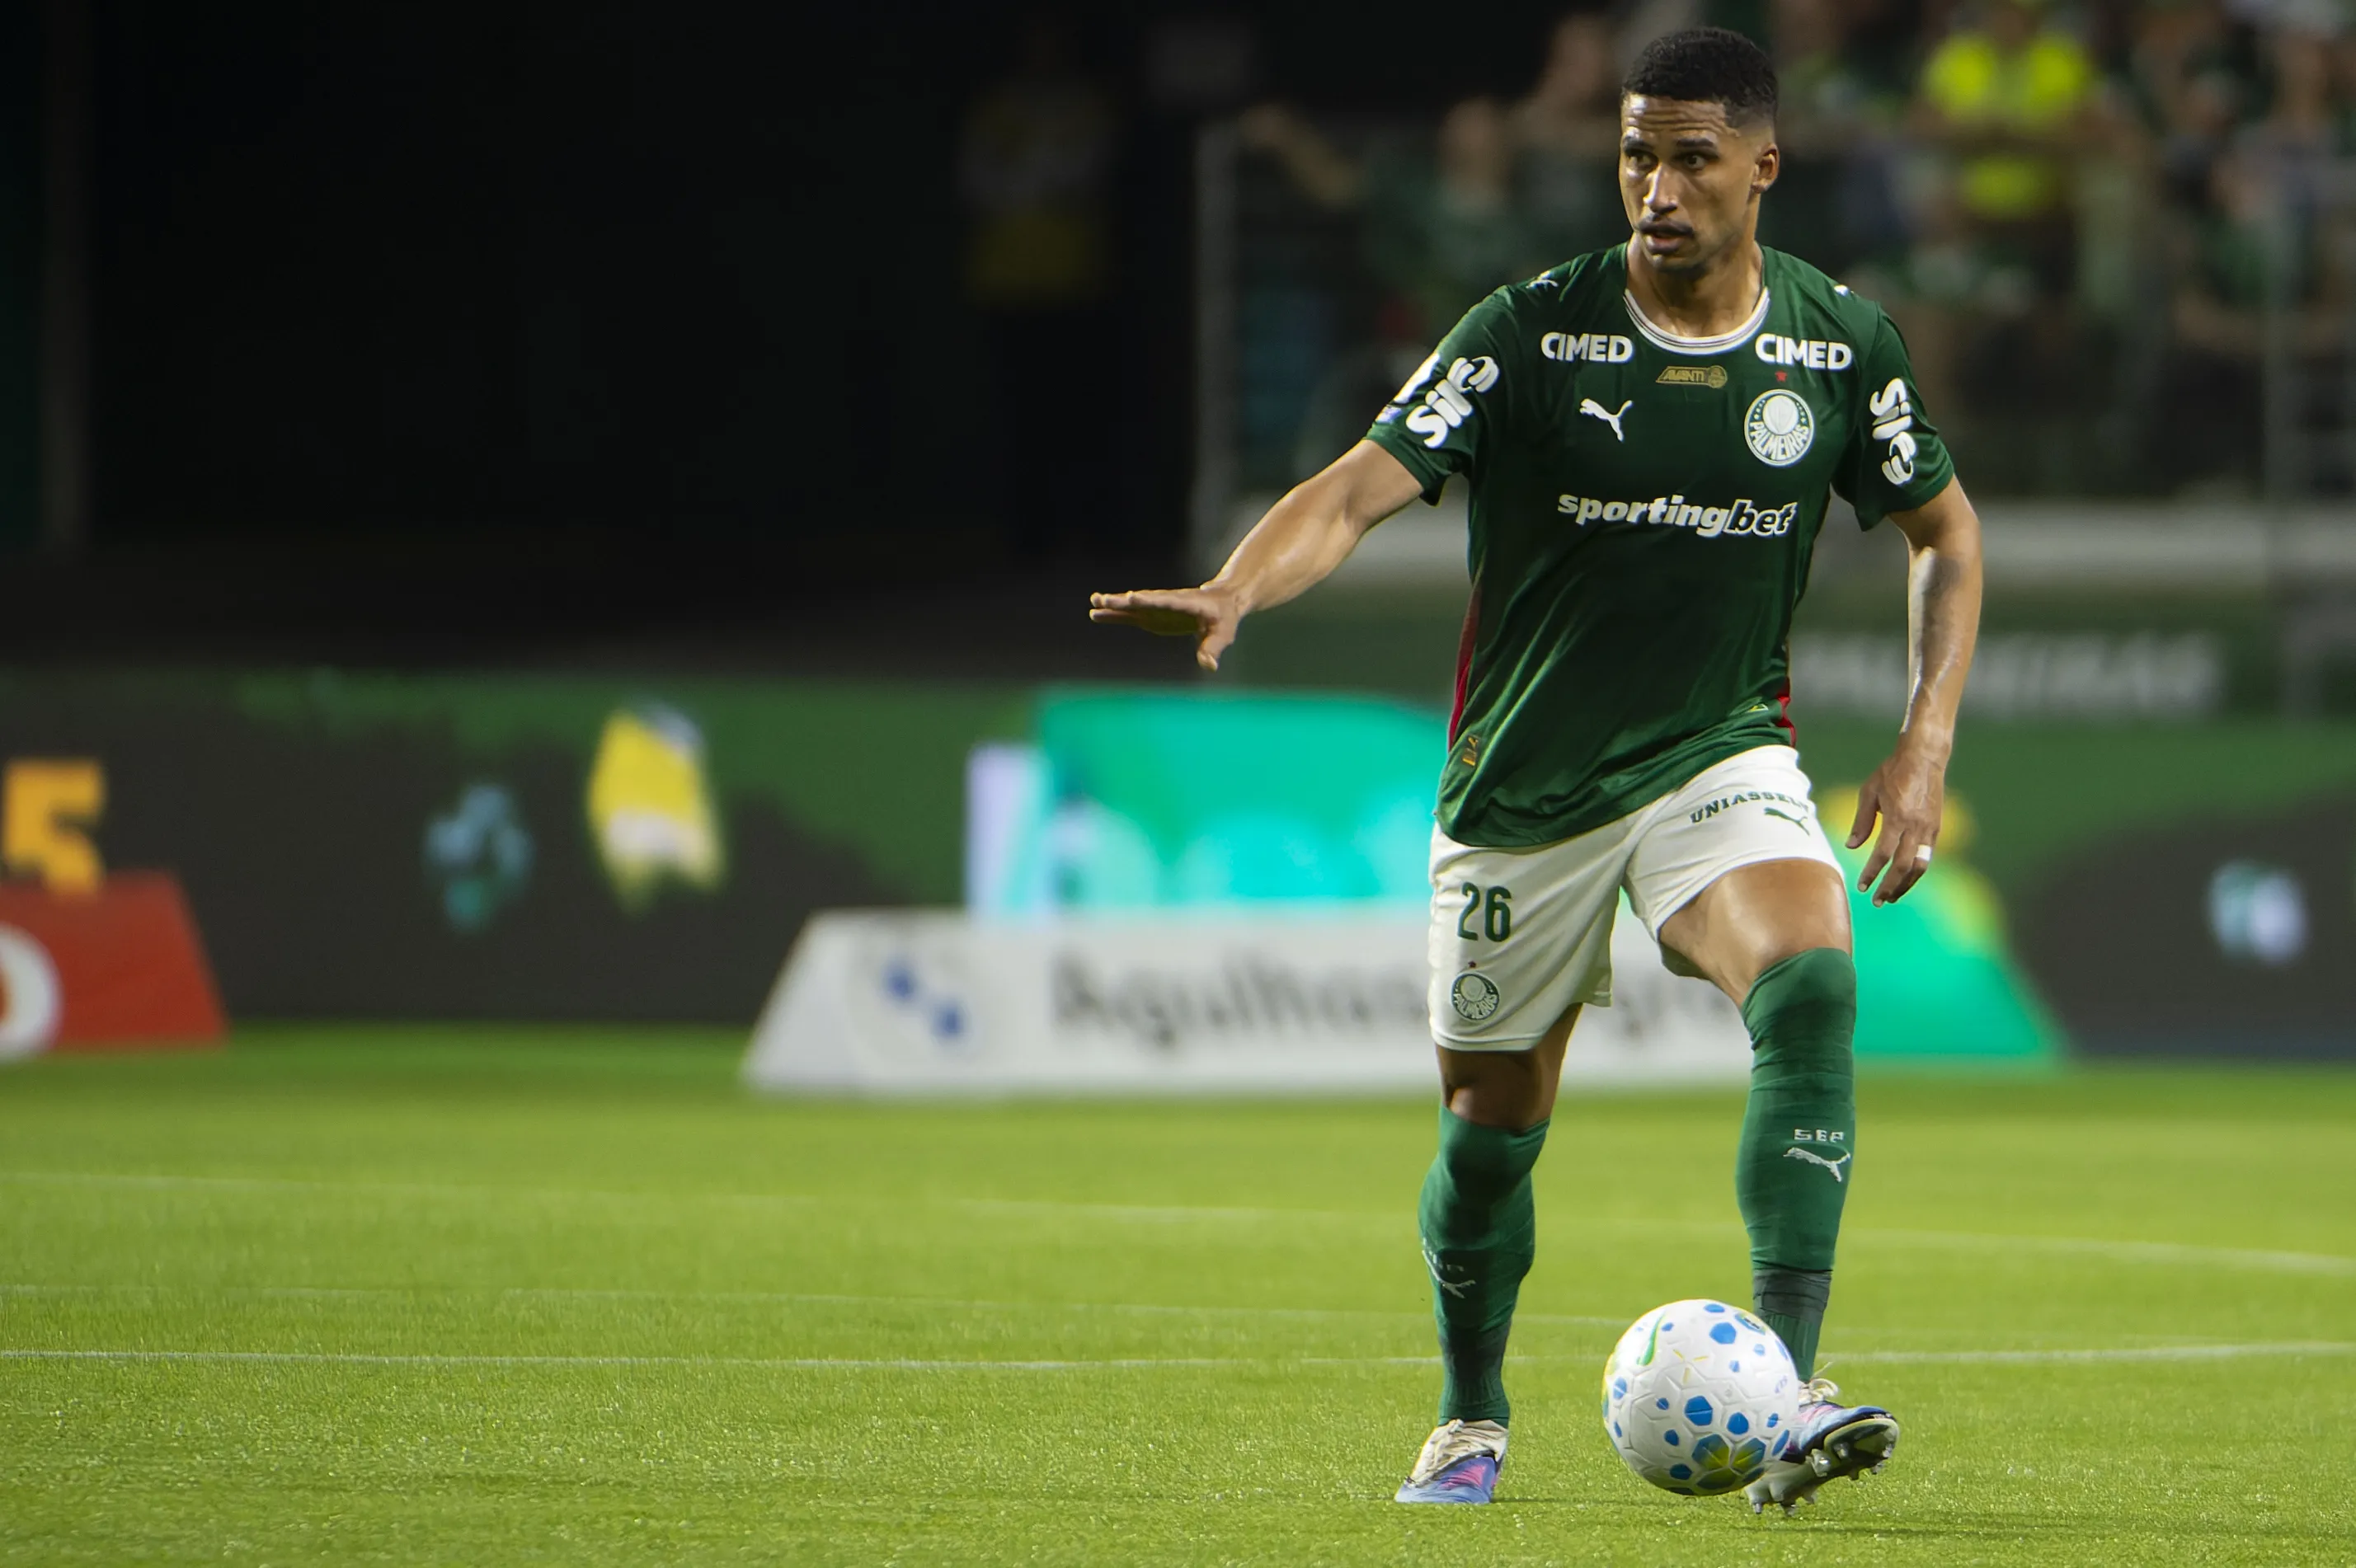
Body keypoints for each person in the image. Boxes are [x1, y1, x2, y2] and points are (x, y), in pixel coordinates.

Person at [1090, 27, 1982, 1514]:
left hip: (1721, 752)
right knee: (1491, 1136)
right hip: (1524, 792)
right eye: (1638, 152)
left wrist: (1924, 734)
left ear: (1764, 166)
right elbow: (1357, 487)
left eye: (1694, 156)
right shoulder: (1528, 332)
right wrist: (1241, 584)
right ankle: (1467, 1413)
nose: (1659, 185)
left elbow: (1947, 533)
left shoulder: (1838, 345)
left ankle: (1787, 1394)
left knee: (1815, 979)